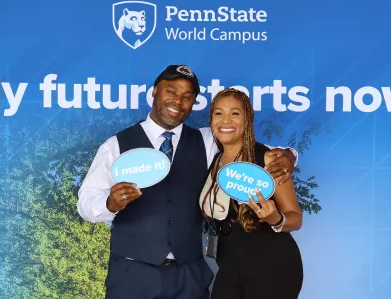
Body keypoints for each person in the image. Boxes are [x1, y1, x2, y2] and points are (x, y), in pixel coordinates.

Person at [77, 65, 298, 299]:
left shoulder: (207, 139)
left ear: (193, 103)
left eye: (187, 97)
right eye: (171, 91)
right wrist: (110, 203)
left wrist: (290, 155)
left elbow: (257, 150)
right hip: (133, 274)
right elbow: (86, 204)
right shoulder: (116, 145)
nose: (177, 101)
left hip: (189, 275)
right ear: (154, 92)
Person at [199, 88, 304, 299]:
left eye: (235, 113)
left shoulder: (267, 160)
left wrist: (276, 220)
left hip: (272, 266)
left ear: (248, 120)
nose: (226, 120)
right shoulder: (213, 159)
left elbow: (295, 217)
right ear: (211, 120)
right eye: (218, 113)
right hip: (229, 265)